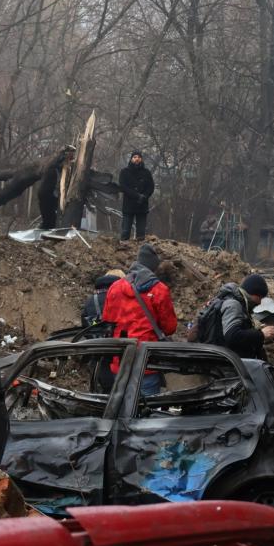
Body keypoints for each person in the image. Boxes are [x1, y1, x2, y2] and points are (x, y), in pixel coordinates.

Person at [101, 244, 177, 395]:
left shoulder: (115, 287)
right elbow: (170, 328)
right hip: (146, 363)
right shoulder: (159, 290)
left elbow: (107, 320)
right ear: (153, 268)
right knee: (147, 413)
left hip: (120, 361)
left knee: (121, 410)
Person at [213, 274, 274, 359]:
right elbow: (232, 335)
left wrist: (255, 329)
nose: (260, 302)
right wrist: (261, 334)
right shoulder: (234, 305)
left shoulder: (239, 302)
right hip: (226, 363)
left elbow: (237, 327)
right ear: (255, 294)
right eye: (260, 298)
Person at [119, 150, 155, 240]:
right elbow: (123, 187)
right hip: (128, 205)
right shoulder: (124, 172)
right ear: (131, 159)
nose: (137, 159)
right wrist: (136, 195)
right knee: (125, 231)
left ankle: (140, 251)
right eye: (135, 157)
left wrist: (144, 196)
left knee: (141, 233)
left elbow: (151, 187)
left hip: (142, 206)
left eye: (139, 157)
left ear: (141, 159)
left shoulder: (146, 173)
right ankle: (123, 249)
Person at [37, 146, 76, 229]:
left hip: (46, 193)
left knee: (48, 216)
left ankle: (46, 226)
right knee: (49, 217)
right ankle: (47, 228)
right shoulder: (54, 167)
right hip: (46, 194)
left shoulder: (54, 166)